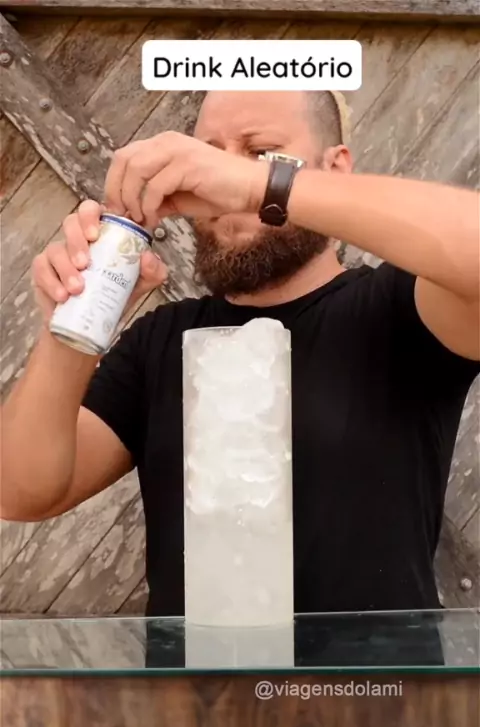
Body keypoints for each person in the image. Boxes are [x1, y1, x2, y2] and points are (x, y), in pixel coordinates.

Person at [1, 92, 479, 655]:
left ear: (334, 168)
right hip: (196, 706)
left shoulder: (399, 310)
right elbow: (21, 490)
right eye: (209, 153)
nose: (218, 178)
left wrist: (257, 186)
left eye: (262, 151)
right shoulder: (161, 339)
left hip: (374, 702)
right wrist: (71, 322)